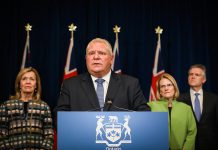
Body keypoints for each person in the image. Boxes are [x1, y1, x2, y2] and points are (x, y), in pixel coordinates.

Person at [55, 38, 150, 112]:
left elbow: (144, 114)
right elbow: (59, 117)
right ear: (86, 58)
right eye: (91, 53)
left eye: (101, 53)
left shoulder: (130, 84)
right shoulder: (70, 85)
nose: (96, 57)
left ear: (111, 59)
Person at [0, 67, 54, 149]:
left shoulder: (44, 107)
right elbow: (2, 136)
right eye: (24, 79)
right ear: (19, 84)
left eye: (32, 79)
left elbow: (49, 136)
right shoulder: (6, 106)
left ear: (36, 85)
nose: (28, 82)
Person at [148, 73, 197, 150]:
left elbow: (192, 132)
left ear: (174, 88)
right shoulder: (151, 106)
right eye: (162, 86)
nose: (166, 88)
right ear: (159, 91)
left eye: (169, 85)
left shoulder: (186, 109)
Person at [178, 64, 218, 150]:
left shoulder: (214, 99)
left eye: (197, 75)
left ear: (204, 79)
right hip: (187, 146)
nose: (193, 76)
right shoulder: (179, 99)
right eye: (190, 74)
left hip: (210, 145)